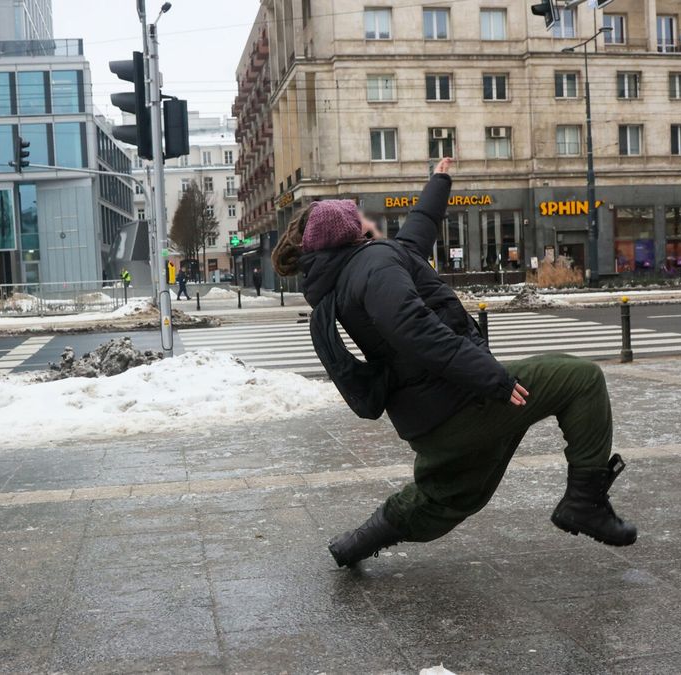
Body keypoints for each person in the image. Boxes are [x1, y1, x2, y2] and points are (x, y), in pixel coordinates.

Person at [272, 158, 637, 568]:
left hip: (429, 417)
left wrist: (440, 180)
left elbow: (418, 230)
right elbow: (414, 329)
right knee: (581, 380)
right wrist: (490, 379)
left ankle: (356, 543)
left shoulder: (358, 269)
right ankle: (584, 502)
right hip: (457, 402)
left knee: (449, 499)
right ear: (349, 232)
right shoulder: (374, 266)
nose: (368, 221)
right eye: (359, 217)